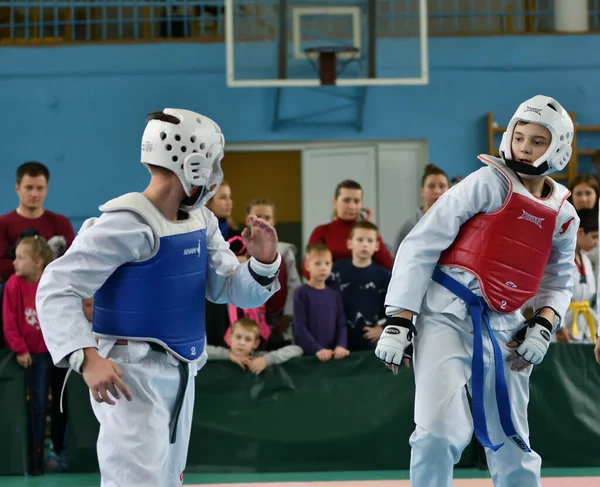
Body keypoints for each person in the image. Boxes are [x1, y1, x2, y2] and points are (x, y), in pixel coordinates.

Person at [36, 108, 281, 487]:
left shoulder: (201, 220)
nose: (217, 174)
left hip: (182, 369)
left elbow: (229, 287)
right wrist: (86, 358)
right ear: (193, 164)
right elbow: (56, 287)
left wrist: (263, 263)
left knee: (168, 480)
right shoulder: (127, 222)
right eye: (214, 163)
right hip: (130, 375)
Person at [375, 95, 578, 487]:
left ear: (558, 148)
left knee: (514, 441)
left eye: (537, 141)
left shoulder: (564, 215)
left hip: (507, 329)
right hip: (445, 314)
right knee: (437, 433)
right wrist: (401, 319)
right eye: (519, 137)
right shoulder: (487, 182)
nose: (524, 147)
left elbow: (559, 281)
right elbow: (422, 243)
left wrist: (544, 326)